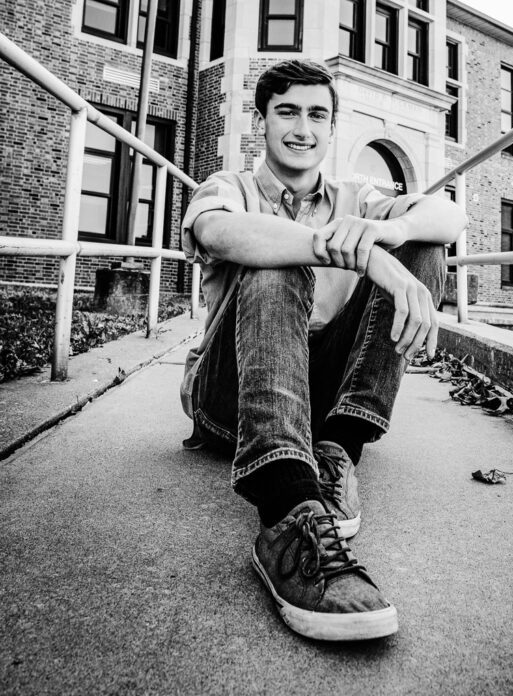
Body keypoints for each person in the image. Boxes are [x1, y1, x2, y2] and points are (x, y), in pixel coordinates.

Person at [180, 58, 466, 642]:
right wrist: (346, 253)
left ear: (332, 128)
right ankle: (287, 507)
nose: (302, 128)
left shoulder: (355, 195)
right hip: (229, 395)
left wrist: (390, 235)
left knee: (424, 247)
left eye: (317, 115)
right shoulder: (228, 186)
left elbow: (449, 215)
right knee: (276, 259)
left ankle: (338, 446)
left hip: (317, 396)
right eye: (287, 112)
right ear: (261, 122)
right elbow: (216, 231)